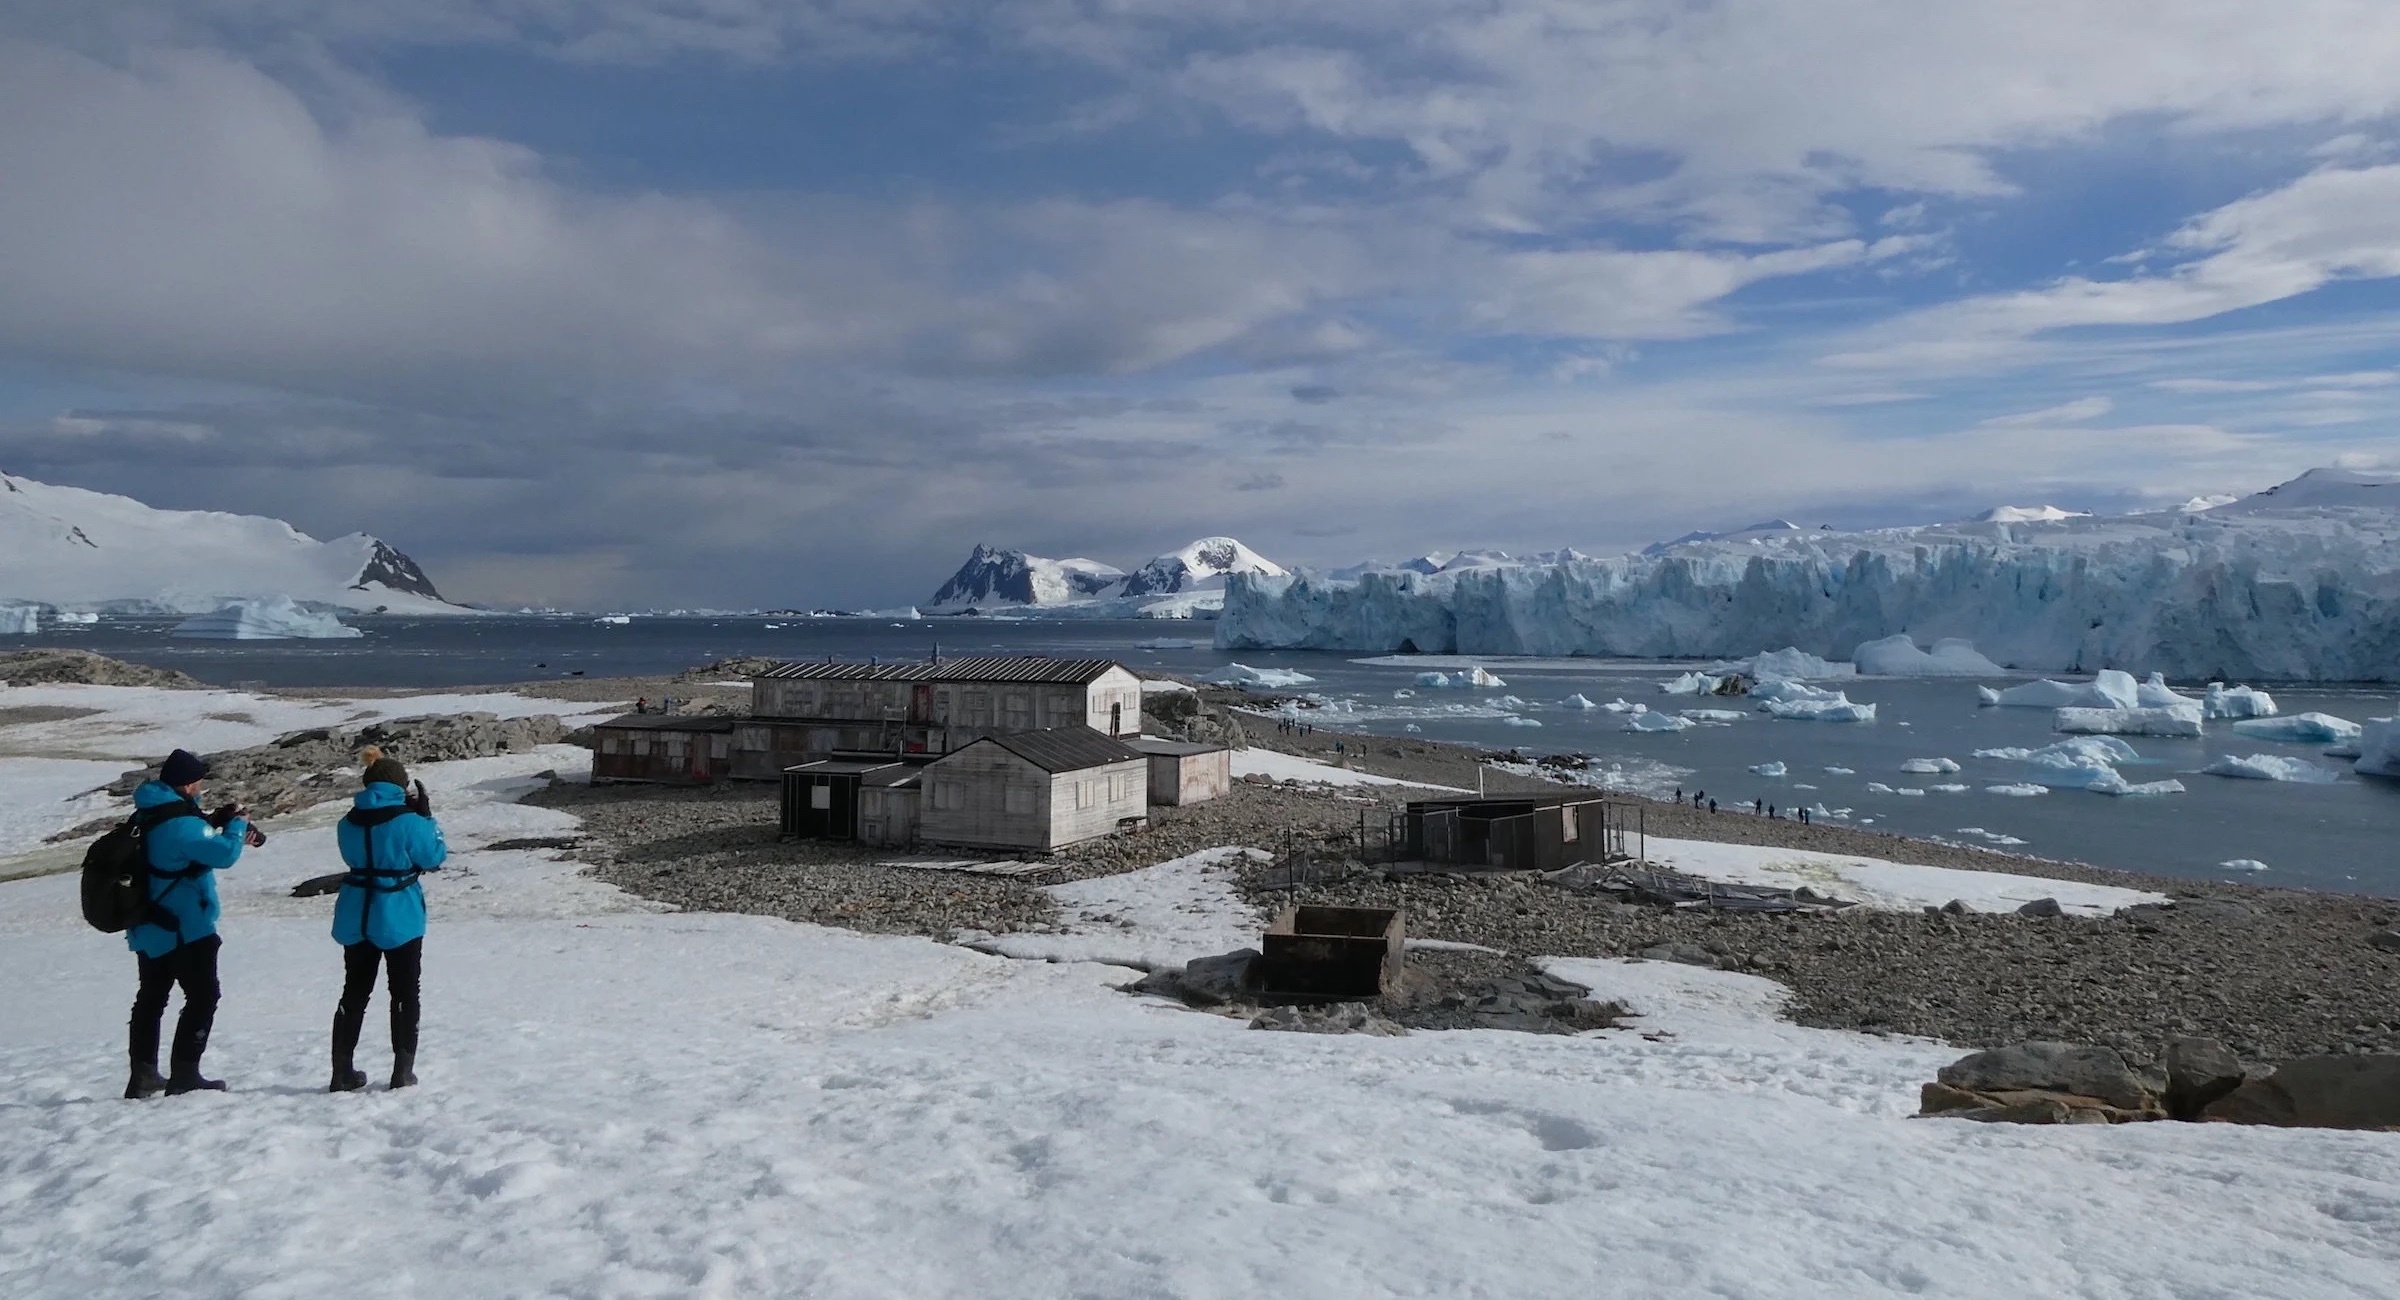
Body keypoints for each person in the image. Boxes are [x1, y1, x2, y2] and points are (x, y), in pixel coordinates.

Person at [125, 748, 261, 1099]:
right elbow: (224, 855)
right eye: (198, 781)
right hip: (185, 925)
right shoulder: (182, 822)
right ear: (187, 784)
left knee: (151, 999)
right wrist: (237, 826)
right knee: (203, 996)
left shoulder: (149, 812)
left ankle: (143, 1075)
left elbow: (180, 843)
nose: (201, 787)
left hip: (149, 923)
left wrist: (212, 820)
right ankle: (185, 1072)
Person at [328, 748, 449, 1092]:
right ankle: (402, 1070)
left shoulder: (347, 821)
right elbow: (434, 856)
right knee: (405, 992)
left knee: (354, 992)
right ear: (400, 786)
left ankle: (341, 1071)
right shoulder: (409, 821)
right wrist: (426, 819)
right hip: (398, 912)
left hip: (356, 911)